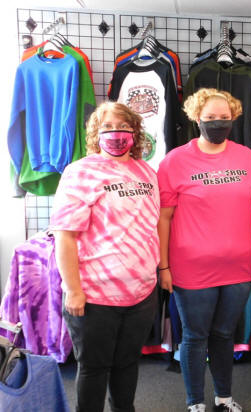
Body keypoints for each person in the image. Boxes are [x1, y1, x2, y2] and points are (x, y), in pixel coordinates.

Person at [50, 101, 160, 412]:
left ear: (134, 132)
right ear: (95, 132)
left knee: (127, 363)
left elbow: (152, 225)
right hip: (95, 295)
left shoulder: (146, 172)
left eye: (123, 126)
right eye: (107, 127)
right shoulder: (80, 172)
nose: (115, 132)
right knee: (94, 368)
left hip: (141, 293)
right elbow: (65, 235)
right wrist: (73, 290)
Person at [157, 88, 251, 412]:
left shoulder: (248, 158)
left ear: (234, 118)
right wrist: (163, 266)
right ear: (196, 118)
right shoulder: (175, 161)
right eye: (210, 117)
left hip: (238, 268)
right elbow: (164, 218)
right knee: (195, 336)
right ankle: (195, 403)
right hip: (192, 268)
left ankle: (223, 398)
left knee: (224, 335)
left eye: (224, 117)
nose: (218, 123)